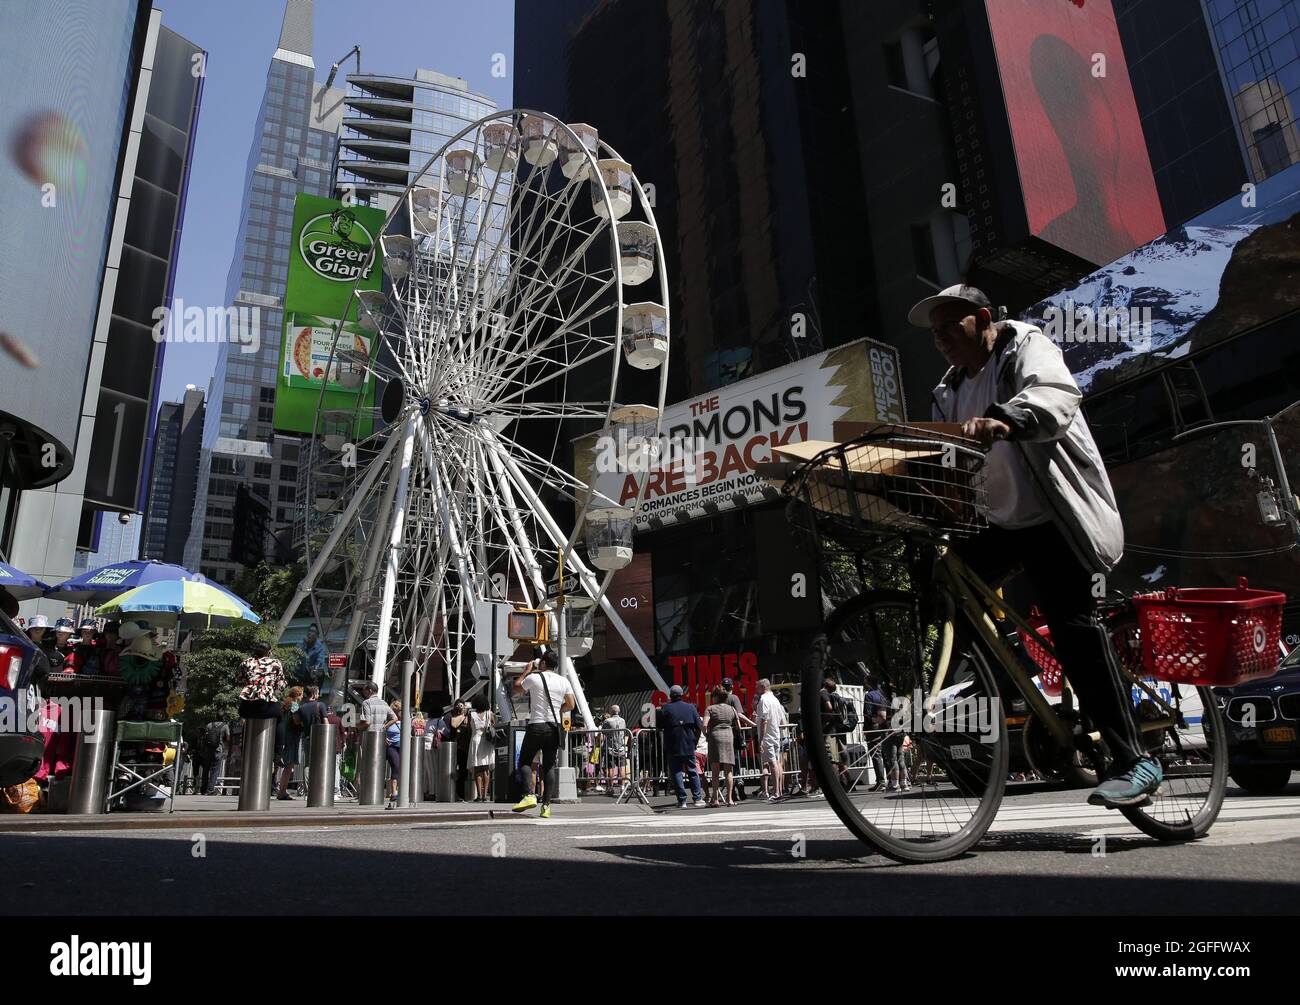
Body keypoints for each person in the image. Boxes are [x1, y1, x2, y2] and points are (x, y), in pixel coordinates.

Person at [913, 283, 1158, 808]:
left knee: (1073, 626)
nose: (941, 341)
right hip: (1002, 524)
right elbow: (951, 460)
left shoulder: (1026, 347)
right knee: (946, 586)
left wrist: (1008, 418)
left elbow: (1054, 396)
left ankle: (1135, 758)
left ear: (982, 318)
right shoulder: (949, 390)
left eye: (949, 328)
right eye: (934, 335)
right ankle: (1009, 698)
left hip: (1055, 516)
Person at [511, 649, 574, 818]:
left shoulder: (534, 678)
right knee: (549, 766)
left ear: (544, 663)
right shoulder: (563, 681)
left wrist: (526, 671)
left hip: (536, 725)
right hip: (554, 727)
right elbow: (571, 704)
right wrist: (558, 710)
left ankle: (529, 795)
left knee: (525, 761)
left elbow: (516, 688)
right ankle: (546, 806)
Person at [657, 684, 705, 809]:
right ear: (681, 695)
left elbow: (659, 726)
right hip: (689, 743)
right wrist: (694, 741)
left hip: (673, 744)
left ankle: (682, 800)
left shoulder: (665, 709)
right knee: (693, 771)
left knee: (677, 772)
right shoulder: (690, 707)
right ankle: (697, 798)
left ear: (670, 696)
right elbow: (699, 726)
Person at [702, 686, 739, 807]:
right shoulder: (732, 709)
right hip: (728, 737)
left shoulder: (710, 709)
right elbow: (738, 725)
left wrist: (706, 734)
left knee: (715, 770)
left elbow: (704, 725)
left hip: (715, 737)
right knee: (729, 770)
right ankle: (729, 799)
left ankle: (716, 799)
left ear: (716, 697)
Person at [755, 678, 787, 802]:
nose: (757, 689)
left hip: (768, 735)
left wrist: (761, 739)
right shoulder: (775, 700)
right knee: (777, 763)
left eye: (758, 687)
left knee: (772, 763)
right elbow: (780, 719)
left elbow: (764, 720)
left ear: (763, 687)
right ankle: (779, 790)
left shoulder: (764, 699)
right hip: (775, 734)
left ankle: (776, 792)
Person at [295, 685, 328, 793]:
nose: (319, 695)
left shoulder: (301, 707)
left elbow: (296, 721)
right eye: (318, 693)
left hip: (307, 737)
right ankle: (320, 788)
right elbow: (326, 723)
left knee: (308, 764)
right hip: (320, 738)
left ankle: (308, 790)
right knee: (321, 762)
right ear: (314, 694)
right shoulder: (321, 705)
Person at [276, 685, 305, 800]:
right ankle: (282, 791)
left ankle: (282, 791)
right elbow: (296, 720)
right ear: (298, 694)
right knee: (289, 766)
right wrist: (303, 723)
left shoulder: (286, 705)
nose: (302, 696)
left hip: (285, 736)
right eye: (302, 694)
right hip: (292, 738)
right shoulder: (294, 705)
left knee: (287, 766)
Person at [445, 699, 472, 801]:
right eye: (460, 706)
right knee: (462, 772)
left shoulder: (451, 718)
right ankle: (460, 794)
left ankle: (456, 793)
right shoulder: (463, 718)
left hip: (453, 747)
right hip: (461, 748)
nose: (461, 708)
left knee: (455, 771)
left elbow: (453, 727)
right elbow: (455, 725)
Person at [468, 702, 495, 802]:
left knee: (477, 768)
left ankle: (479, 795)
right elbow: (493, 724)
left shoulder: (472, 714)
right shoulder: (489, 713)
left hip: (475, 740)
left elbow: (468, 727)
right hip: (486, 741)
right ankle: (485, 795)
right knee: (486, 769)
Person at [600, 704, 628, 796]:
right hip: (621, 747)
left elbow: (603, 732)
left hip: (610, 747)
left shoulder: (607, 721)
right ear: (619, 711)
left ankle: (610, 788)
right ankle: (623, 788)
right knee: (622, 767)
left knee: (610, 768)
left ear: (611, 712)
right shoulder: (623, 721)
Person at [197, 719, 230, 795]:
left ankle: (203, 789)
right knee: (215, 771)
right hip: (218, 750)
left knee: (206, 770)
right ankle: (210, 790)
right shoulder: (225, 726)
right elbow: (228, 738)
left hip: (207, 750)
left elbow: (205, 737)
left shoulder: (209, 725)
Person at [384, 700, 403, 801]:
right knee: (396, 766)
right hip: (392, 747)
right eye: (397, 710)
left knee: (402, 768)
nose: (399, 713)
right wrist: (384, 739)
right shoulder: (388, 721)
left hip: (403, 747)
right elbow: (382, 729)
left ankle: (401, 791)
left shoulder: (406, 721)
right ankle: (394, 792)